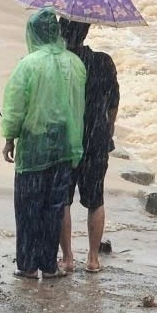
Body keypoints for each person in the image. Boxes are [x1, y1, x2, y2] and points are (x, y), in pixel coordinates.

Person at [1, 9, 85, 279]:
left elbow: (15, 107)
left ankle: (27, 265)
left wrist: (9, 138)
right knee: (54, 208)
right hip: (64, 144)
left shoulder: (27, 65)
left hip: (34, 145)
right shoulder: (75, 64)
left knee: (28, 208)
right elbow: (77, 107)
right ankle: (49, 265)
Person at [57, 18, 120, 274]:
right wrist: (109, 127)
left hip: (67, 137)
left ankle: (68, 257)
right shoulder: (103, 62)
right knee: (96, 200)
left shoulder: (60, 64)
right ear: (87, 31)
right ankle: (93, 259)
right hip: (96, 137)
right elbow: (114, 100)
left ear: (62, 32)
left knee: (63, 200)